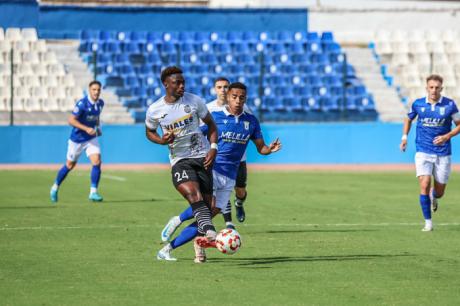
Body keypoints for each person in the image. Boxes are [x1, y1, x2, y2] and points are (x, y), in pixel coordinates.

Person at [157, 82, 282, 263]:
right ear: (228, 97)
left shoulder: (251, 121)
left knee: (210, 214)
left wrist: (270, 149)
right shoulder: (215, 118)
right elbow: (195, 135)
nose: (238, 100)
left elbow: (260, 148)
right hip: (212, 169)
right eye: (234, 97)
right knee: (205, 211)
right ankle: (177, 221)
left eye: (242, 97)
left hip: (230, 176)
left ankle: (167, 249)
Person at [145, 66, 218, 261]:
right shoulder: (155, 109)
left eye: (183, 82)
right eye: (177, 82)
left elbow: (211, 125)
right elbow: (149, 132)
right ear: (165, 84)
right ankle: (210, 231)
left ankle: (169, 247)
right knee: (195, 197)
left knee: (208, 207)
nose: (181, 86)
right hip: (180, 160)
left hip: (203, 157)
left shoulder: (194, 101)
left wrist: (213, 148)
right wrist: (161, 140)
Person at [400, 74, 460, 232]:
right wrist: (404, 137)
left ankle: (435, 197)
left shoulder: (450, 105)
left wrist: (447, 136)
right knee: (424, 184)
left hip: (443, 153)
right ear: (427, 88)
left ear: (442, 88)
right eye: (431, 87)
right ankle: (428, 222)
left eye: (437, 88)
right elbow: (408, 119)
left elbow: (459, 125)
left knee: (439, 192)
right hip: (423, 150)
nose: (434, 90)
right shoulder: (418, 104)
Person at [50, 80, 104, 203]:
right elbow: (71, 120)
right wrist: (86, 128)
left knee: (97, 161)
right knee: (70, 165)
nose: (96, 92)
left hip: (91, 138)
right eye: (94, 89)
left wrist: (98, 127)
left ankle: (93, 192)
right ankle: (55, 187)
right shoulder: (82, 104)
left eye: (98, 90)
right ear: (89, 90)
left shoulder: (100, 103)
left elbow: (96, 117)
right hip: (77, 139)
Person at [207, 77, 251, 223]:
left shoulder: (244, 109)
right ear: (215, 89)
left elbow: (250, 128)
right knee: (219, 190)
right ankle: (228, 224)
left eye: (226, 87)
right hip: (217, 159)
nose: (223, 90)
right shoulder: (209, 109)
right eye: (219, 87)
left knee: (240, 190)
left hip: (238, 160)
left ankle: (239, 203)